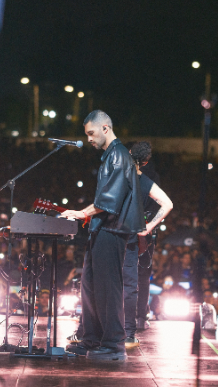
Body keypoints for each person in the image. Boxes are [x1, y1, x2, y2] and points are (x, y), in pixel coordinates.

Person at [60, 110, 144, 361]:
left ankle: (113, 344)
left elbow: (109, 201)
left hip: (112, 230)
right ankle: (92, 339)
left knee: (108, 288)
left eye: (91, 133)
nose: (88, 139)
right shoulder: (111, 156)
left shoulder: (118, 155)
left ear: (105, 128)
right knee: (90, 285)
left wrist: (81, 212)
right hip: (103, 228)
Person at [122, 140, 174, 348]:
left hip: (124, 229)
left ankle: (119, 319)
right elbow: (164, 204)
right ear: (146, 159)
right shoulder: (152, 176)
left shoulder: (123, 174)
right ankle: (140, 317)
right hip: (145, 229)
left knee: (124, 276)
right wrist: (150, 225)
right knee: (142, 275)